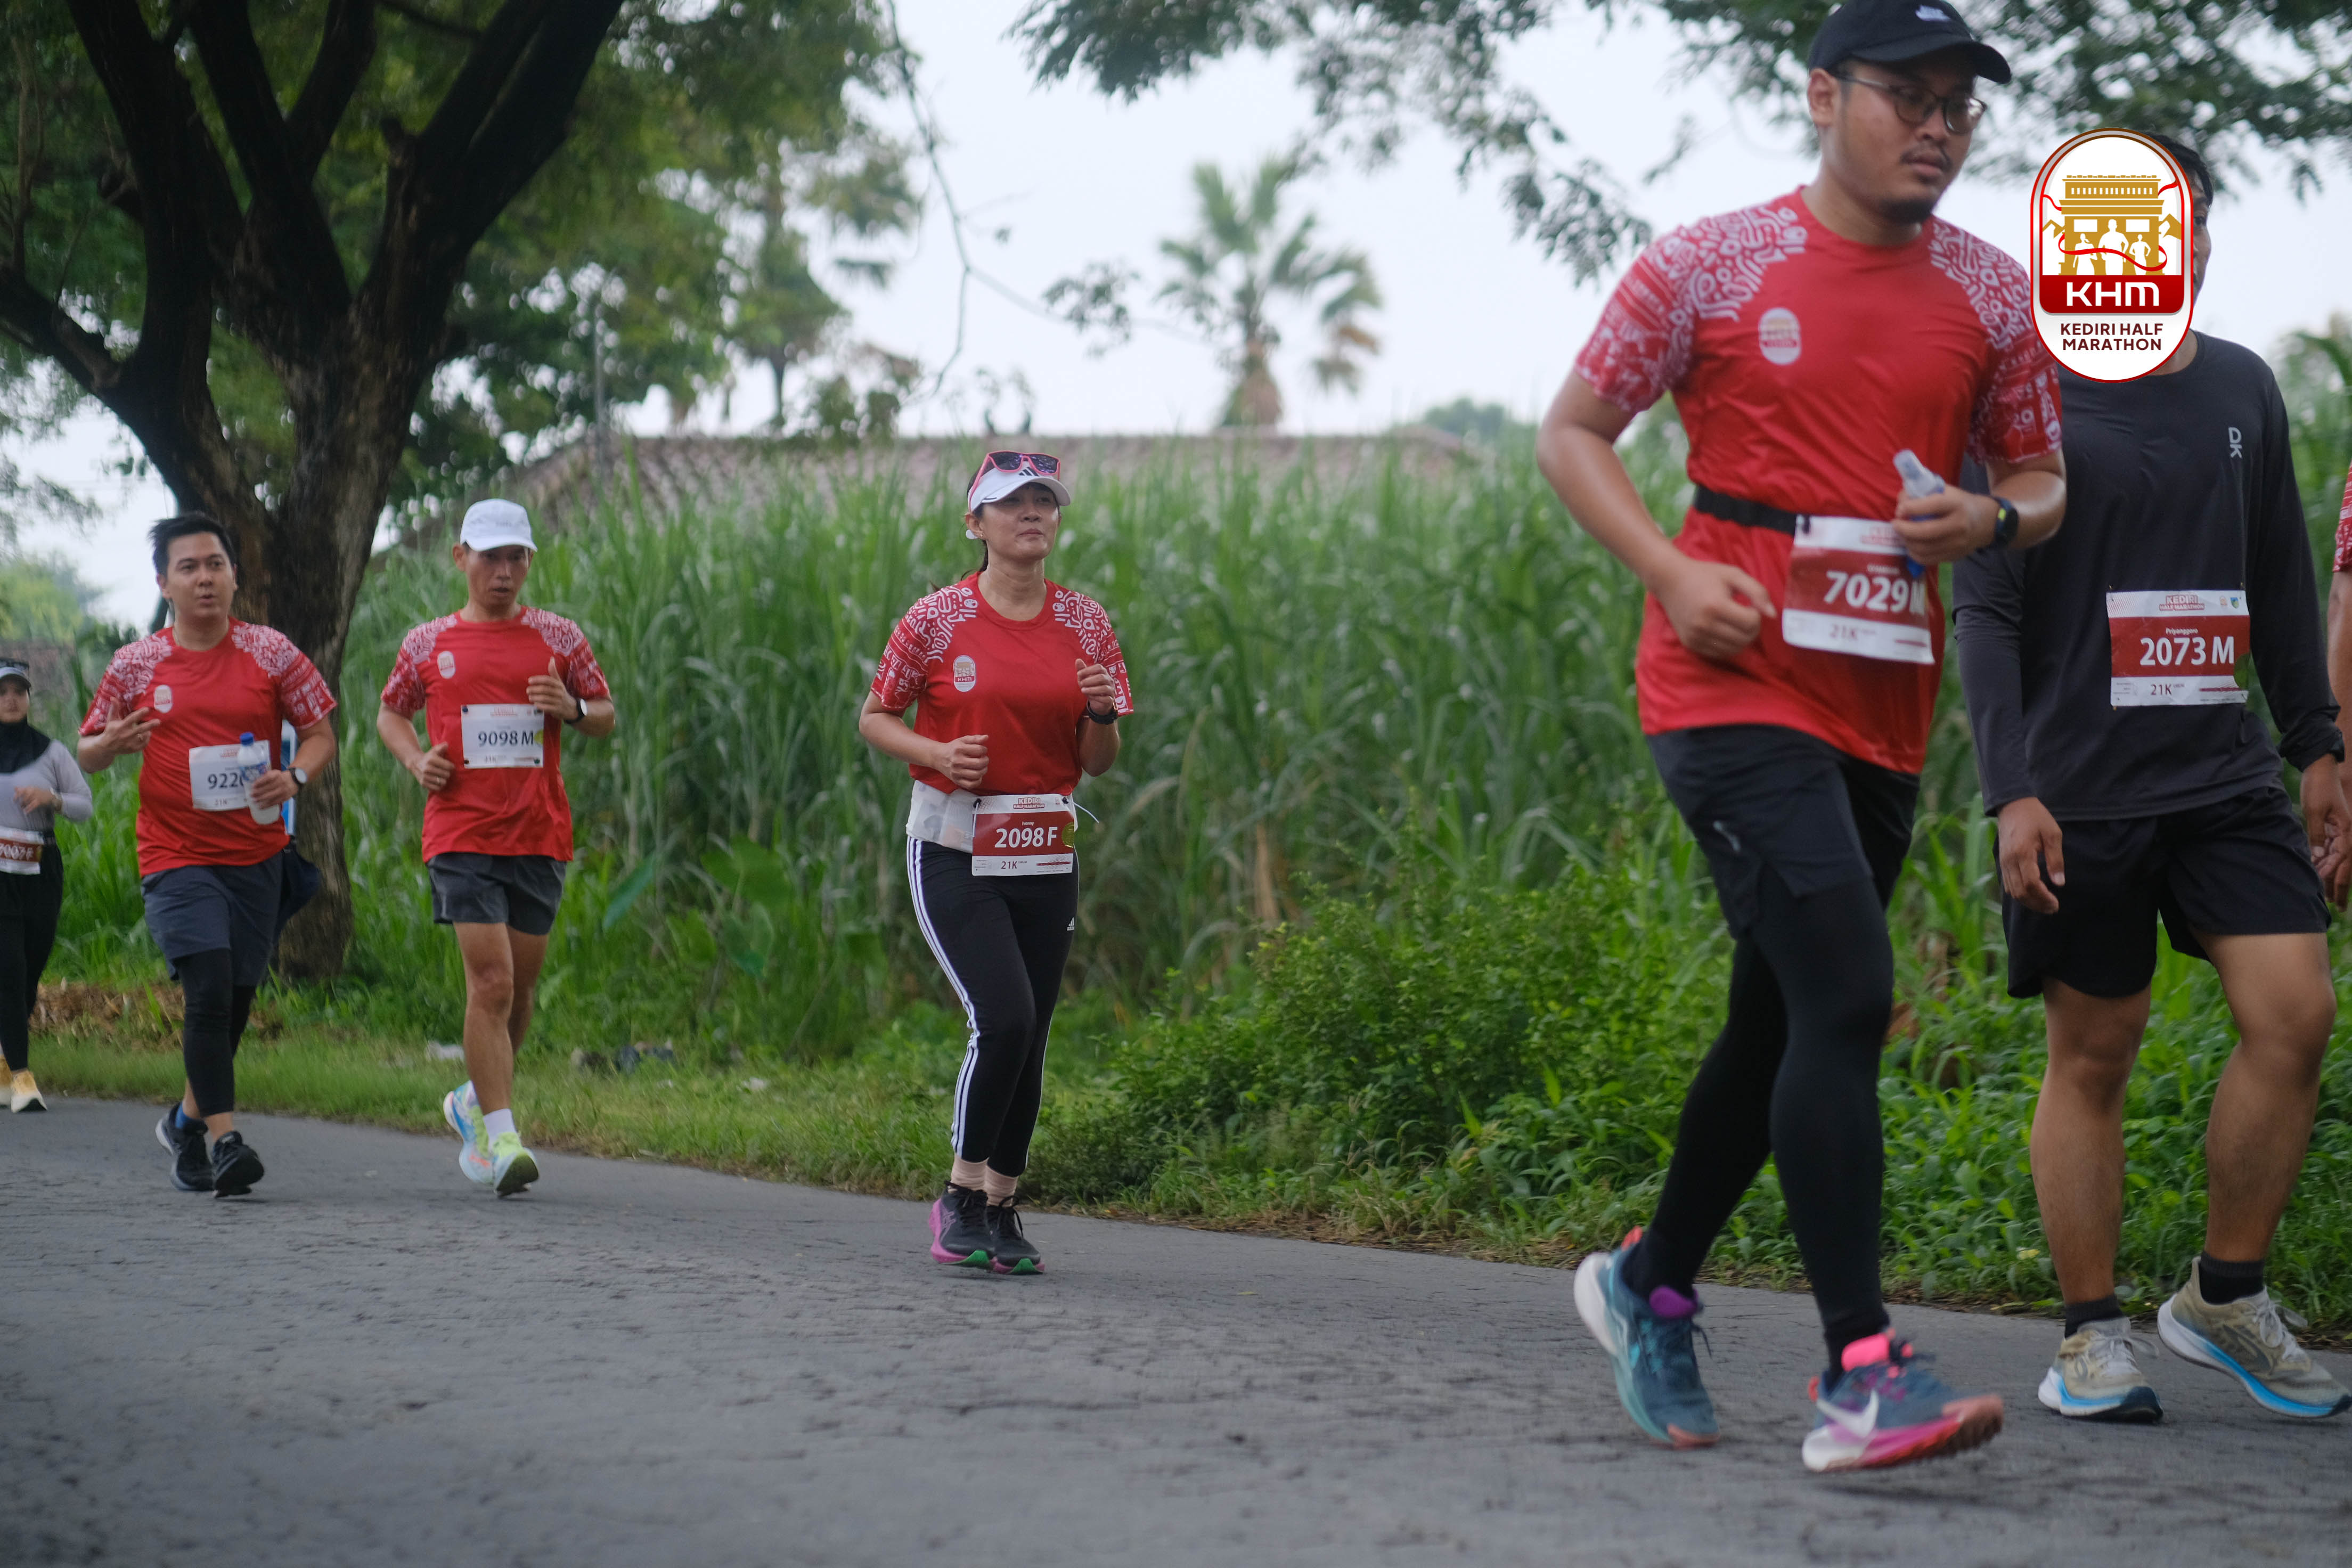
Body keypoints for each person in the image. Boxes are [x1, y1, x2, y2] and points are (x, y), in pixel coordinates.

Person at [1536, 0, 2067, 1472]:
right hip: (1724, 684)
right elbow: (1571, 432)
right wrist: (1668, 570)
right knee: (1846, 989)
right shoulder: (1706, 264)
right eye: (1909, 96)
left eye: (1960, 104)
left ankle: (1648, 1282)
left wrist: (1990, 517)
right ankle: (1860, 1373)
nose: (1939, 127)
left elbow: (2041, 478)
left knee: (1778, 1017)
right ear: (1824, 97)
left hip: (1880, 707)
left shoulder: (1992, 292)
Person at [1962, 137, 2352, 1424]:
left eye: (2181, 227)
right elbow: (1986, 610)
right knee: (2094, 1049)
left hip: (2220, 774)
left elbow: (2279, 579)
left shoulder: (2240, 385)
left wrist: (2316, 745)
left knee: (2294, 1012)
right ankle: (2088, 1334)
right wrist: (2010, 789)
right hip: (2079, 788)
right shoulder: (2021, 396)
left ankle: (2222, 1295)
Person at [858, 452, 1131, 1275]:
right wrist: (937, 753)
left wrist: (1101, 714)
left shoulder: (1085, 623)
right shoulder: (936, 619)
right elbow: (875, 717)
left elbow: (1098, 759)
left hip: (1044, 850)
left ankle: (1002, 1206)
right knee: (1004, 1016)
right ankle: (959, 1197)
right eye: (1013, 502)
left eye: (1045, 500)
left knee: (1034, 1033)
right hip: (954, 846)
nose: (1032, 513)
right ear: (976, 523)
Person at [79, 516, 336, 1196]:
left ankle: (184, 1123)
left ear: (234, 576)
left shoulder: (272, 652)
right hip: (175, 855)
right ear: (164, 583)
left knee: (236, 1004)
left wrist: (296, 776)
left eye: (215, 564)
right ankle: (226, 1142)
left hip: (257, 856)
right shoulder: (136, 664)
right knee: (210, 988)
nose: (204, 578)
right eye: (188, 567)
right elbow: (87, 750)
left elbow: (320, 734)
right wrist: (111, 744)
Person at [377, 499, 615, 1197]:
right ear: (462, 559)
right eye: (490, 557)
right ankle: (502, 1139)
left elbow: (604, 714)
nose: (503, 571)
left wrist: (571, 708)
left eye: (516, 557)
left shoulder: (560, 637)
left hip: (538, 833)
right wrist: (417, 761)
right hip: (460, 832)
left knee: (522, 991)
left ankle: (474, 1100)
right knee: (492, 982)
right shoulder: (427, 643)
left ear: (530, 561)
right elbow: (392, 712)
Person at [0, 660, 93, 1112]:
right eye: (3, 692)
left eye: (19, 691)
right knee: (9, 967)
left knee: (30, 970)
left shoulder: (51, 752)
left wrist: (51, 799)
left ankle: (3, 1065)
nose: (11, 699)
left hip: (41, 867)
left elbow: (84, 806)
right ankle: (22, 1078)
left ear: (29, 698)